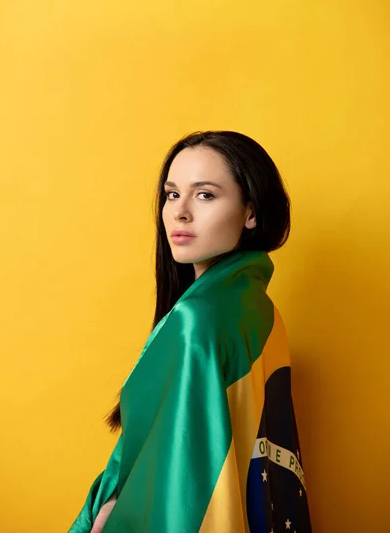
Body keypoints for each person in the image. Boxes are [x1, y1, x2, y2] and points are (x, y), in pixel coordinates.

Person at [68, 130, 313, 532]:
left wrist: (111, 509)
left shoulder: (197, 321)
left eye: (205, 195)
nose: (179, 212)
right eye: (171, 194)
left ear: (251, 212)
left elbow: (181, 484)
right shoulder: (259, 311)